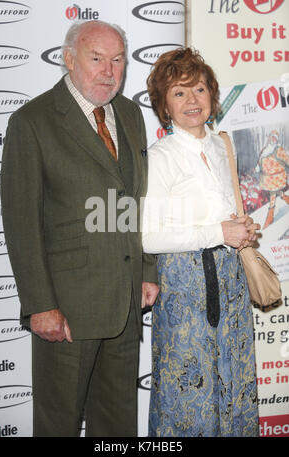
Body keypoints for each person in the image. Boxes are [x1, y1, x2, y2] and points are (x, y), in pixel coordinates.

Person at [1, 20, 159, 437]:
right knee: (59, 424)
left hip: (124, 304)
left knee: (118, 425)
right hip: (65, 311)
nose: (109, 71)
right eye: (96, 59)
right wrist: (39, 304)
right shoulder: (32, 121)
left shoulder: (129, 114)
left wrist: (145, 269)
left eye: (118, 60)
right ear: (68, 59)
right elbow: (20, 222)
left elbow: (136, 199)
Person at [142, 47, 260, 437]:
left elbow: (222, 216)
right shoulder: (162, 157)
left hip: (231, 282)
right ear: (164, 105)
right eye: (179, 92)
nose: (192, 100)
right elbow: (149, 236)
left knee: (234, 382)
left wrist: (239, 228)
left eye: (199, 89)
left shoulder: (221, 146)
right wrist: (217, 233)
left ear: (212, 95)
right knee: (188, 394)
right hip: (185, 289)